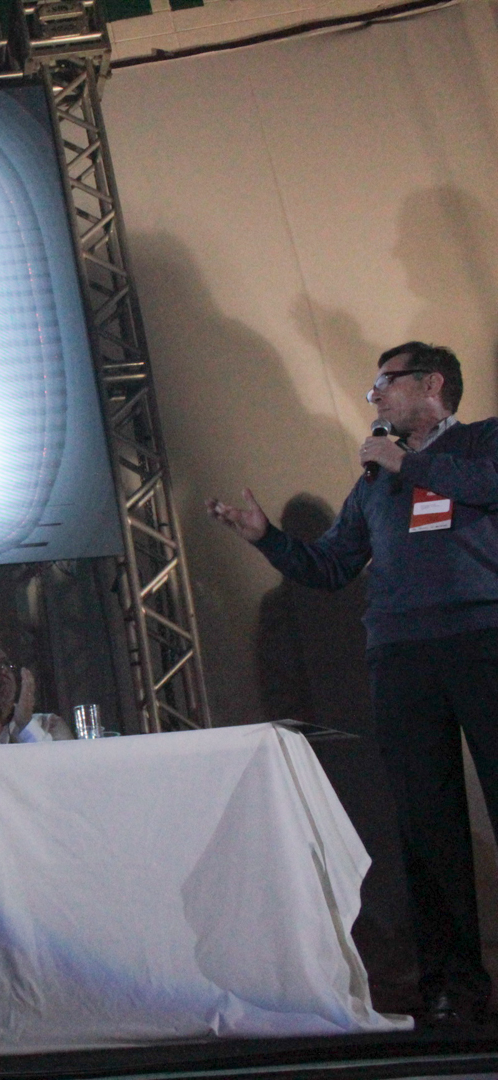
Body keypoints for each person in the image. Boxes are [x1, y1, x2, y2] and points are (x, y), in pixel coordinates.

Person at [207, 341, 498, 1026]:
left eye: (385, 383)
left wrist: (408, 463)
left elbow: (488, 486)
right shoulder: (374, 482)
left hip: (482, 639)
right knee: (425, 824)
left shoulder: (481, 443)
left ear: (432, 383)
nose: (375, 397)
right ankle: (452, 988)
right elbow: (333, 566)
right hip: (400, 655)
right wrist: (266, 538)